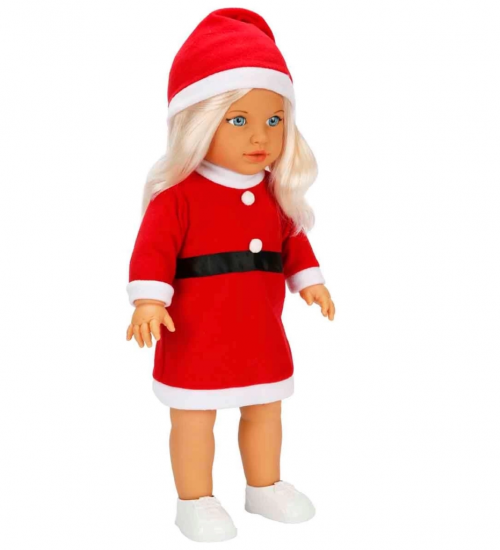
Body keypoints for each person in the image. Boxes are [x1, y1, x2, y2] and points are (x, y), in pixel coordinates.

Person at [125, 8, 336, 543]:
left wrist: (310, 281)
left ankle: (264, 486)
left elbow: (293, 242)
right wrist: (149, 301)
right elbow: (152, 251)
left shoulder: (274, 195)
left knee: (266, 407)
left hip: (259, 332)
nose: (260, 136)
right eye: (238, 120)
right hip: (195, 334)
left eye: (274, 120)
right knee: (194, 418)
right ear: (198, 122)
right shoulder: (178, 198)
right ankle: (194, 499)